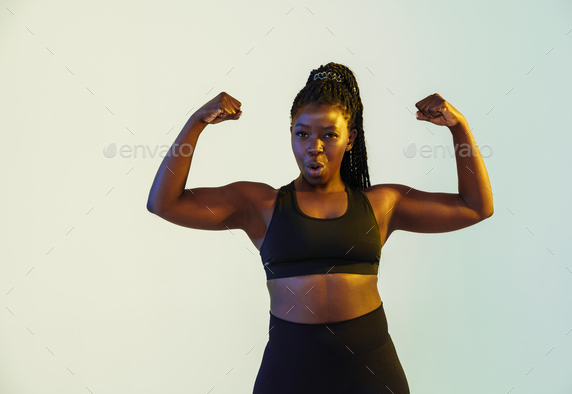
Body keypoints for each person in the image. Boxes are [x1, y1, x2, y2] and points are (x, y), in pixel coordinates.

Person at [147, 62, 493, 394]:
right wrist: (196, 122)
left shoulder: (382, 205)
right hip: (289, 375)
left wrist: (458, 127)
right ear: (292, 135)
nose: (314, 146)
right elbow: (165, 203)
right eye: (303, 133)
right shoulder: (260, 205)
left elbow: (475, 207)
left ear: (351, 138)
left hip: (370, 373)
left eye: (329, 135)